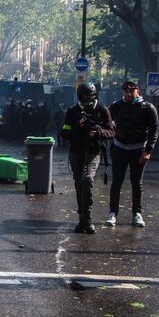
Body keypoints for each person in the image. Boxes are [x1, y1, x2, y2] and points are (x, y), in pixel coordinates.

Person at [61, 82, 114, 234]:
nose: (88, 102)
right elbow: (64, 132)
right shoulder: (72, 111)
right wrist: (77, 129)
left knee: (87, 180)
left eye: (90, 98)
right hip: (76, 152)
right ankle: (81, 218)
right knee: (79, 184)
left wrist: (98, 132)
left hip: (93, 152)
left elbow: (111, 132)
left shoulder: (102, 110)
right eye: (84, 99)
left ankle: (88, 219)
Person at [106, 81, 158, 227]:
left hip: (138, 150)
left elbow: (154, 130)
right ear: (123, 92)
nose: (128, 94)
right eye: (126, 91)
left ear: (138, 91)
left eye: (131, 91)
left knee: (137, 183)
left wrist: (148, 151)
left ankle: (137, 214)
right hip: (119, 148)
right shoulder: (117, 106)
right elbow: (105, 120)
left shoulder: (148, 108)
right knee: (116, 182)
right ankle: (112, 213)